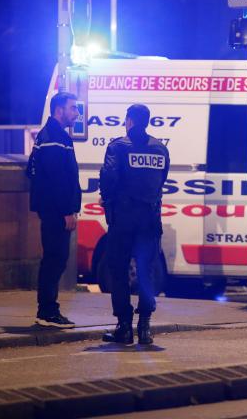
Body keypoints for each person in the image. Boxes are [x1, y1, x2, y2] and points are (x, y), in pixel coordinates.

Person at [99, 104, 170, 345]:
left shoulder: (118, 146)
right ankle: (145, 328)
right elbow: (161, 182)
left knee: (118, 269)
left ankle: (124, 327)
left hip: (124, 219)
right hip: (150, 220)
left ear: (129, 121)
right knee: (146, 271)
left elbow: (108, 177)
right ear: (147, 122)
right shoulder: (160, 149)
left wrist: (108, 201)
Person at [26, 92, 81, 328]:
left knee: (55, 258)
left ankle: (47, 309)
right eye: (73, 108)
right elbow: (58, 179)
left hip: (52, 208)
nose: (76, 113)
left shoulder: (50, 135)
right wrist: (67, 211)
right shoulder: (54, 138)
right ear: (59, 110)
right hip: (56, 210)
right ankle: (47, 311)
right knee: (55, 259)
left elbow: (31, 170)